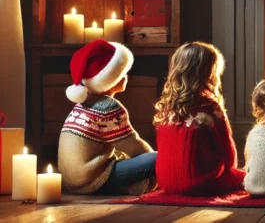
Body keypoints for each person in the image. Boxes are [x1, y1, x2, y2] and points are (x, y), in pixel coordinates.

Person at [58, 39, 156, 195]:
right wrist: (156, 160)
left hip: (70, 182)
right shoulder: (108, 107)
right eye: (123, 73)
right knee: (157, 159)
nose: (126, 77)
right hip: (92, 179)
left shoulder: (83, 103)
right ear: (110, 80)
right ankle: (144, 184)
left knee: (126, 159)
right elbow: (135, 146)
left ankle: (135, 185)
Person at [154, 42, 245, 195]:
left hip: (166, 183)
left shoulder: (166, 107)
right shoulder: (210, 107)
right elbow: (229, 158)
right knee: (245, 176)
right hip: (203, 184)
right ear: (209, 72)